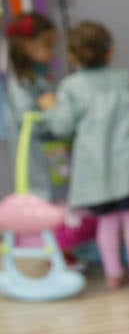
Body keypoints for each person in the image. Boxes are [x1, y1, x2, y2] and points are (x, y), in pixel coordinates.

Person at [39, 20, 129, 289]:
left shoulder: (71, 87)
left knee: (107, 222)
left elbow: (61, 126)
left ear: (72, 55)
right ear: (110, 51)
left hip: (96, 172)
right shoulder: (124, 79)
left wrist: (50, 108)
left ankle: (113, 274)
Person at [4, 11, 59, 200]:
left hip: (49, 153)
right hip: (33, 155)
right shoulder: (21, 84)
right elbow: (27, 119)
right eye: (48, 45)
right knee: (39, 196)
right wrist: (53, 113)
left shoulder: (41, 77)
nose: (53, 52)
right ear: (27, 46)